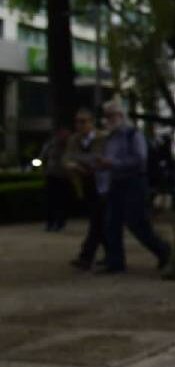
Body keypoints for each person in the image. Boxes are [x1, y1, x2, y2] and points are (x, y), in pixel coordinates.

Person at [94, 99, 171, 273]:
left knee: (137, 222)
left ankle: (162, 250)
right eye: (106, 116)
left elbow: (140, 159)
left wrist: (112, 163)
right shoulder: (111, 137)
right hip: (116, 182)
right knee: (111, 223)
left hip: (133, 182)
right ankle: (115, 262)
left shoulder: (133, 134)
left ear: (120, 115)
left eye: (111, 115)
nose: (107, 119)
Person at [64, 108, 108, 269]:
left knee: (97, 220)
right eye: (77, 122)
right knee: (99, 221)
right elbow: (67, 159)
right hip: (85, 183)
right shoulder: (74, 140)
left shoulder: (102, 138)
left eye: (83, 122)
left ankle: (86, 256)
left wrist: (84, 162)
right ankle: (111, 254)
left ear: (91, 123)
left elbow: (100, 159)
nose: (79, 125)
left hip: (102, 184)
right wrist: (74, 165)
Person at [38, 127, 73, 231]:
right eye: (62, 134)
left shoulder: (70, 145)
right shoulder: (50, 145)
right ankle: (50, 223)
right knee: (50, 201)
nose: (64, 136)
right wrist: (43, 170)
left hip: (65, 176)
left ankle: (60, 223)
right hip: (51, 175)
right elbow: (43, 157)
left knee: (62, 201)